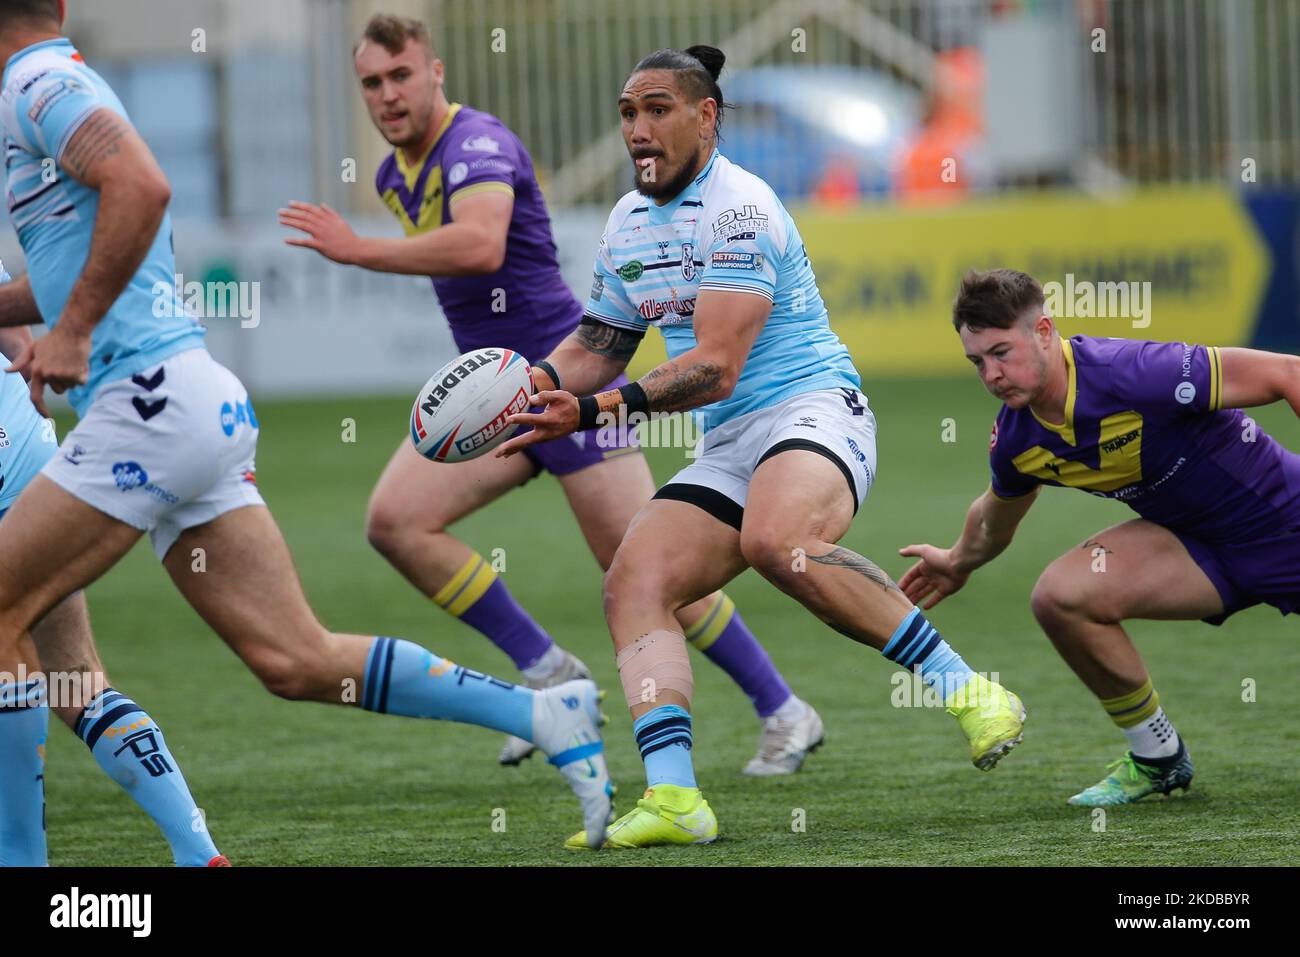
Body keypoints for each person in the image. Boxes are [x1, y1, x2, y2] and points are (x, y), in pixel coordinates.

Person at [0, 0, 611, 865]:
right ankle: (543, 711)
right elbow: (83, 251)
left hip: (144, 408)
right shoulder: (54, 81)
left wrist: (72, 332)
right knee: (295, 660)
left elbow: (142, 187)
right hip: (192, 405)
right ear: (60, 7)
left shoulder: (36, 81)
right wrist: (47, 313)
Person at [498, 45, 1027, 849]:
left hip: (815, 411)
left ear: (705, 117)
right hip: (733, 441)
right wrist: (530, 385)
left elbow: (716, 365)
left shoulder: (741, 207)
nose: (638, 130)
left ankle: (968, 690)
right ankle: (675, 796)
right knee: (633, 581)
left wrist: (595, 409)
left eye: (657, 110)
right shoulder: (628, 219)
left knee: (779, 541)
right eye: (627, 114)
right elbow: (599, 342)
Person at [279, 13, 824, 776]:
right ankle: (550, 673)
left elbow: (481, 243)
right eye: (372, 82)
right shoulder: (392, 173)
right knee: (397, 522)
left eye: (401, 75)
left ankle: (784, 708)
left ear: (435, 73)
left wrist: (357, 248)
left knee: (645, 569)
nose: (387, 94)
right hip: (500, 396)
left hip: (567, 379)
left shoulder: (477, 146)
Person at [898, 267, 1300, 806]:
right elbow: (996, 514)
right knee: (1061, 596)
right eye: (978, 362)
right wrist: (957, 561)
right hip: (1197, 549)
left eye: (1001, 352)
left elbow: (1287, 374)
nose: (992, 374)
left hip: (1285, 520)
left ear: (1044, 331)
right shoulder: (1017, 440)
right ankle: (1157, 755)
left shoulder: (1134, 371)